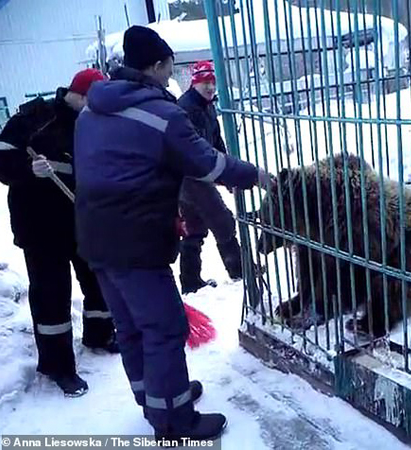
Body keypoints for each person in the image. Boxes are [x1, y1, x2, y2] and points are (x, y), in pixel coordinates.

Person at [73, 25, 272, 442]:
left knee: (130, 329)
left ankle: (158, 400)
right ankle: (175, 420)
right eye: (169, 68)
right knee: (164, 328)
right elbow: (208, 165)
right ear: (159, 64)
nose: (171, 77)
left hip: (94, 238)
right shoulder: (160, 113)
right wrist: (256, 175)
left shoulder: (92, 110)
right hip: (138, 241)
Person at [0, 69, 119, 398]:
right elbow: (1, 159)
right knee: (51, 294)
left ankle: (99, 334)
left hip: (83, 220)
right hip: (40, 227)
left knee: (96, 280)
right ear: (80, 95)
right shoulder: (35, 118)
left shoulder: (96, 122)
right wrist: (28, 170)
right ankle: (58, 366)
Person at [176, 61, 246, 293]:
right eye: (204, 82)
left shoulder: (207, 106)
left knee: (195, 227)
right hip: (190, 176)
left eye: (212, 82)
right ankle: (239, 271)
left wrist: (228, 173)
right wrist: (222, 174)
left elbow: (216, 141)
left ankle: (190, 281)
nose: (209, 87)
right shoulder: (186, 108)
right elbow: (197, 150)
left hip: (197, 174)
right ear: (194, 83)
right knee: (222, 220)